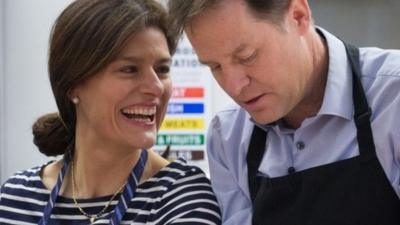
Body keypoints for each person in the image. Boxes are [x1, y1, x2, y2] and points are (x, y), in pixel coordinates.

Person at [168, 0, 400, 224]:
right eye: (215, 67)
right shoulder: (228, 136)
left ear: (298, 16)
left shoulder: (393, 97)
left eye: (247, 57)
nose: (233, 86)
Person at [0, 0, 221, 224]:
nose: (155, 87)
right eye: (129, 69)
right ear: (73, 85)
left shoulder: (180, 196)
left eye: (162, 69)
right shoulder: (15, 197)